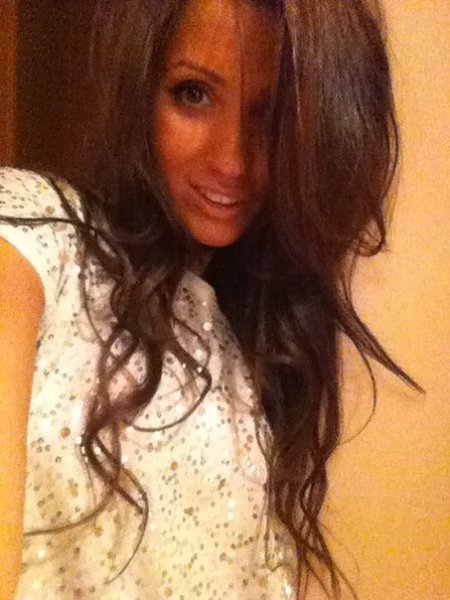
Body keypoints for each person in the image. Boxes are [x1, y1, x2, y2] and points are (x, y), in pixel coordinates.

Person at [0, 0, 423, 598]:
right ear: (140, 90)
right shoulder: (34, 240)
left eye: (269, 115)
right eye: (193, 94)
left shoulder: (251, 329)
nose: (231, 161)